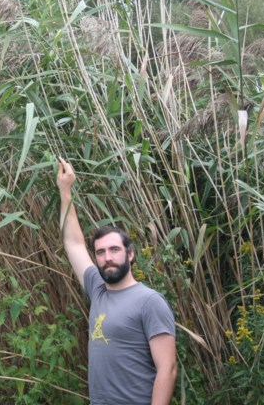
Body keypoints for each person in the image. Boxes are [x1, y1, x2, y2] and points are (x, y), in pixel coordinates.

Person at [57, 157, 177, 405]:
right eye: (100, 253)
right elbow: (74, 243)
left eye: (114, 250)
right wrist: (65, 190)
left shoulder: (149, 302)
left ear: (130, 254)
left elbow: (168, 369)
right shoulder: (97, 289)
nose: (107, 258)